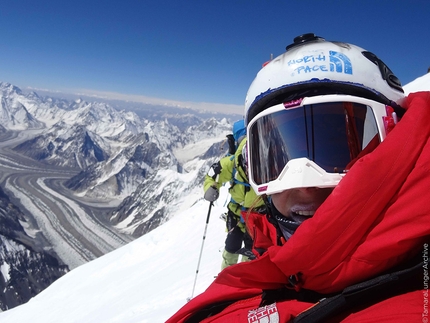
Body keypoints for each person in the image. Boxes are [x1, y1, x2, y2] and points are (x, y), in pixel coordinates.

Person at [167, 33, 430, 322]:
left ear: (393, 139)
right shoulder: (270, 271)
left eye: (338, 151)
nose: (303, 184)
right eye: (277, 161)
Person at [204, 119, 264, 269]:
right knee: (249, 252)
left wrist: (211, 188)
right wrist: (210, 186)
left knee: (234, 249)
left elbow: (212, 175)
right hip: (250, 215)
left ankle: (230, 277)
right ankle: (240, 279)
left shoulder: (230, 163)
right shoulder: (264, 160)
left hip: (247, 216)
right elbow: (211, 177)